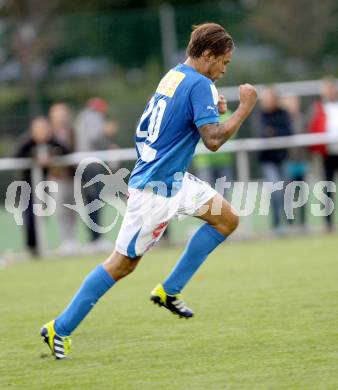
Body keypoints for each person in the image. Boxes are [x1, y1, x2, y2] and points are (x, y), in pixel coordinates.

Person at [40, 23, 257, 359]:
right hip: (156, 188)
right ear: (209, 55)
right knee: (122, 264)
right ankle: (60, 327)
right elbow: (213, 140)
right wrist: (244, 108)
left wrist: (213, 106)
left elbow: (177, 115)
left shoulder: (175, 75)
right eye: (224, 62)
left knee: (227, 220)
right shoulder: (200, 84)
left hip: (173, 179)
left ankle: (170, 291)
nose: (225, 69)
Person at [15, 116, 69, 256]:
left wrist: (53, 154)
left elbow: (66, 150)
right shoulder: (27, 142)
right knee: (29, 218)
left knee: (42, 216)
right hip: (26, 187)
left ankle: (40, 246)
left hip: (43, 187)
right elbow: (17, 156)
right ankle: (32, 248)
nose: (42, 131)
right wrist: (34, 158)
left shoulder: (52, 141)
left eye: (44, 128)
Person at [253, 86, 292, 234]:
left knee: (288, 191)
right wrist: (273, 132)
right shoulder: (259, 114)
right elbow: (261, 132)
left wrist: (273, 131)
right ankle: (276, 225)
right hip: (267, 160)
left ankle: (289, 224)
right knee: (275, 191)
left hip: (283, 158)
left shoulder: (283, 113)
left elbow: (288, 131)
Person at [74, 98, 109, 244]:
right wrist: (106, 132)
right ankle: (97, 238)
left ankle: (94, 238)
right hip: (92, 164)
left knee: (89, 201)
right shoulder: (95, 117)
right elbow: (95, 137)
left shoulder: (81, 117)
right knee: (95, 200)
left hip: (81, 163)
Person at [308, 76, 338, 231]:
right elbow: (313, 128)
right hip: (326, 153)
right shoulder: (318, 107)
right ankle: (328, 223)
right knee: (327, 188)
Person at [49, 103, 78, 254]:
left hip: (72, 176)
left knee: (73, 208)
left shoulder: (72, 131)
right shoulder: (48, 133)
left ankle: (72, 240)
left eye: (62, 114)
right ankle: (65, 240)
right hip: (56, 178)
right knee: (60, 210)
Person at [280, 94, 308, 230]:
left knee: (302, 193)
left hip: (301, 160)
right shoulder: (284, 120)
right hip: (288, 161)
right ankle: (290, 224)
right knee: (288, 194)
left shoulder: (302, 119)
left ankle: (303, 223)